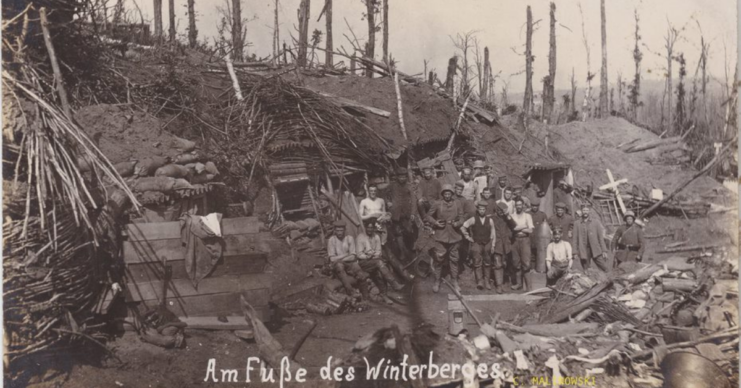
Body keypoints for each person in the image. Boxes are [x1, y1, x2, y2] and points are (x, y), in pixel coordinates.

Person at [425, 184, 464, 293]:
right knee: (438, 259)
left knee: (454, 259)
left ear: (452, 194)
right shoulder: (437, 203)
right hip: (441, 235)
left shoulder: (457, 203)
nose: (447, 196)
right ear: (442, 194)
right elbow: (428, 216)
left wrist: (458, 223)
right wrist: (435, 222)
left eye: (449, 193)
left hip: (454, 235)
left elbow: (462, 217)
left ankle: (454, 280)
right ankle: (437, 280)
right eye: (445, 194)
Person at [356, 219, 405, 291]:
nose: (369, 229)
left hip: (374, 260)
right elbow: (359, 254)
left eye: (371, 228)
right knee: (379, 263)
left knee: (380, 270)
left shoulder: (376, 237)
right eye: (368, 228)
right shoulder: (360, 237)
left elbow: (379, 252)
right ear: (365, 227)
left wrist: (373, 255)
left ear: (374, 228)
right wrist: (367, 256)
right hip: (364, 262)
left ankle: (385, 294)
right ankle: (394, 284)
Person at [460, 200, 497, 290]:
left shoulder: (490, 220)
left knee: (487, 263)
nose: (482, 211)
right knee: (477, 263)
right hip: (476, 244)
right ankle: (480, 281)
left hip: (487, 243)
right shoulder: (473, 219)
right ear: (477, 209)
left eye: (483, 209)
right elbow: (463, 227)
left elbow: (493, 232)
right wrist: (468, 237)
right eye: (480, 209)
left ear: (486, 210)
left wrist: (492, 245)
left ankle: (487, 281)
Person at [327, 221, 369, 297]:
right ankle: (351, 291)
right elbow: (332, 259)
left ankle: (366, 295)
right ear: (334, 230)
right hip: (337, 264)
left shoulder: (349, 238)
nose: (339, 233)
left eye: (341, 230)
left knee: (358, 269)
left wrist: (340, 258)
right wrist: (346, 254)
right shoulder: (331, 240)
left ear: (345, 230)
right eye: (337, 230)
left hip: (349, 262)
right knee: (339, 266)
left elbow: (353, 256)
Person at [385, 168, 418, 263]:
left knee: (409, 231)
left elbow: (414, 201)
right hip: (395, 214)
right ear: (397, 177)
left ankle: (412, 249)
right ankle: (402, 252)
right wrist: (388, 202)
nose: (402, 178)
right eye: (400, 176)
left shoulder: (409, 186)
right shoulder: (392, 185)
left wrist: (413, 213)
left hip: (406, 214)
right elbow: (385, 194)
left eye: (404, 176)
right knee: (398, 233)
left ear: (406, 177)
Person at [573, 203, 610, 272]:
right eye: (584, 210)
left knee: (605, 268)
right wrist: (575, 252)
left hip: (595, 249)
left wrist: (604, 250)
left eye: (587, 210)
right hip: (584, 250)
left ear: (589, 211)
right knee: (586, 270)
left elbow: (600, 238)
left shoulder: (596, 222)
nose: (585, 212)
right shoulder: (577, 223)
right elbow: (575, 239)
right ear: (581, 211)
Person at [510, 199, 534, 290]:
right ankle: (518, 284)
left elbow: (530, 230)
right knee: (516, 262)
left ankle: (529, 286)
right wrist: (524, 226)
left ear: (523, 205)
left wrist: (518, 228)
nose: (519, 206)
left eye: (520, 205)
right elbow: (512, 229)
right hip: (515, 240)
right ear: (515, 206)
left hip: (525, 239)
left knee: (526, 263)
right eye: (517, 205)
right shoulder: (512, 216)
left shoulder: (527, 216)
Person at [490, 202, 514, 293]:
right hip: (496, 244)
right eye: (499, 210)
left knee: (504, 264)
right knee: (497, 264)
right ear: (496, 209)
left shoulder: (507, 218)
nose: (500, 212)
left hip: (506, 245)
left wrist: (508, 217)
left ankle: (502, 283)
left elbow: (514, 226)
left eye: (502, 210)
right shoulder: (492, 218)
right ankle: (499, 285)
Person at [529, 198, 549, 273]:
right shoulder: (528, 214)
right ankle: (532, 269)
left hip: (540, 239)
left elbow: (546, 226)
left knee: (540, 254)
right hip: (530, 238)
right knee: (531, 255)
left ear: (538, 206)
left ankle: (540, 269)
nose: (534, 207)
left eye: (536, 206)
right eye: (533, 206)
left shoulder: (542, 215)